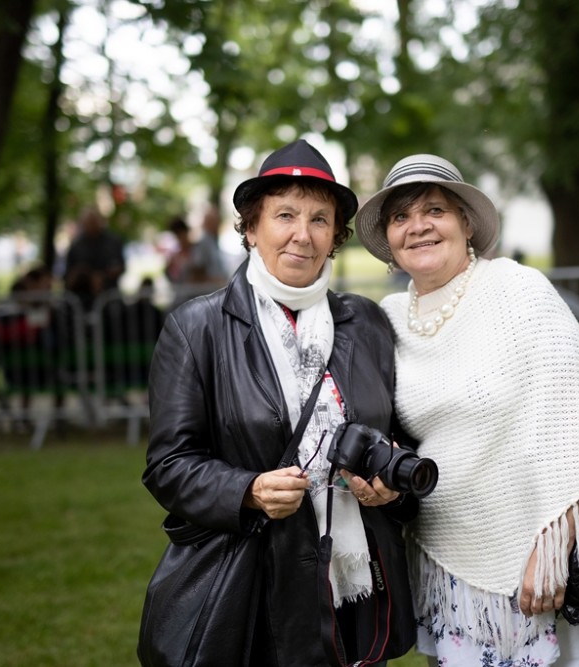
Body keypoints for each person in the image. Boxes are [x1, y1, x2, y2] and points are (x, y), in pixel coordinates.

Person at [354, 154, 579, 666]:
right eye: (400, 216)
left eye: (435, 210)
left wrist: (554, 541)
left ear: (466, 223)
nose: (418, 226)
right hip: (446, 557)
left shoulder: (518, 290)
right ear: (388, 239)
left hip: (539, 550)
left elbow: (575, 420)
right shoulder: (388, 320)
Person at [141, 139, 417, 666]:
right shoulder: (196, 328)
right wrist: (247, 490)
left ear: (335, 237)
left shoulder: (366, 322)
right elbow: (168, 465)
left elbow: (399, 434)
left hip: (355, 586)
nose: (302, 235)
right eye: (284, 215)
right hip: (253, 590)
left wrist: (390, 483)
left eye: (319, 220)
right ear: (251, 227)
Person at [63, 206, 126, 309]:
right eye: (88, 222)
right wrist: (85, 275)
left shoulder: (113, 242)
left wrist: (104, 276)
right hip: (81, 299)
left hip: (108, 297)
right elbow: (68, 274)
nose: (90, 225)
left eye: (93, 221)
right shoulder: (77, 245)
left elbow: (120, 266)